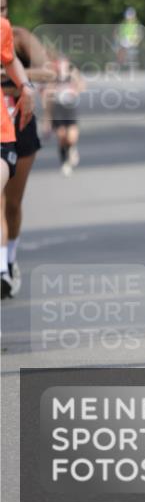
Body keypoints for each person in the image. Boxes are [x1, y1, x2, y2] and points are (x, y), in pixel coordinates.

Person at [0, 0, 56, 290]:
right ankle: (2, 270)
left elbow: (46, 72)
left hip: (19, 123)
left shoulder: (18, 37)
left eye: (3, 8)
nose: (0, 14)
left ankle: (10, 257)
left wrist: (8, 77)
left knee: (12, 202)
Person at [1, 16, 36, 298]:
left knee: (10, 202)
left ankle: (6, 263)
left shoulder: (14, 32)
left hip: (12, 128)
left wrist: (24, 85)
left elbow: (47, 71)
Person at [41, 57, 86, 176]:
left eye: (64, 64)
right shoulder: (53, 80)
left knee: (71, 137)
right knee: (61, 136)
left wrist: (74, 72)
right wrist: (47, 119)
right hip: (58, 111)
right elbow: (48, 100)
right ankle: (64, 162)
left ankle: (71, 149)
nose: (61, 67)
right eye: (59, 65)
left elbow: (82, 86)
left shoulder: (71, 78)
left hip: (70, 110)